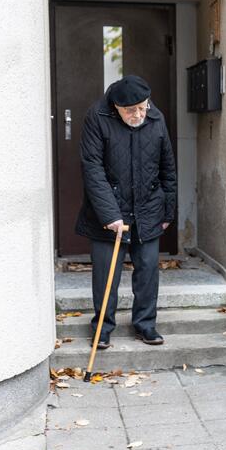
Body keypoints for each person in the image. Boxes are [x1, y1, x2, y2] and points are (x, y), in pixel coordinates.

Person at [76, 75, 177, 349]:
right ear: (116, 107)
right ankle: (103, 327)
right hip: (107, 213)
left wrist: (167, 213)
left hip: (148, 209)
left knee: (147, 271)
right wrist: (110, 215)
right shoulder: (97, 117)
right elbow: (92, 169)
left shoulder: (155, 117)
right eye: (131, 110)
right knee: (106, 273)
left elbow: (168, 166)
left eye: (143, 107)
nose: (140, 114)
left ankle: (145, 325)